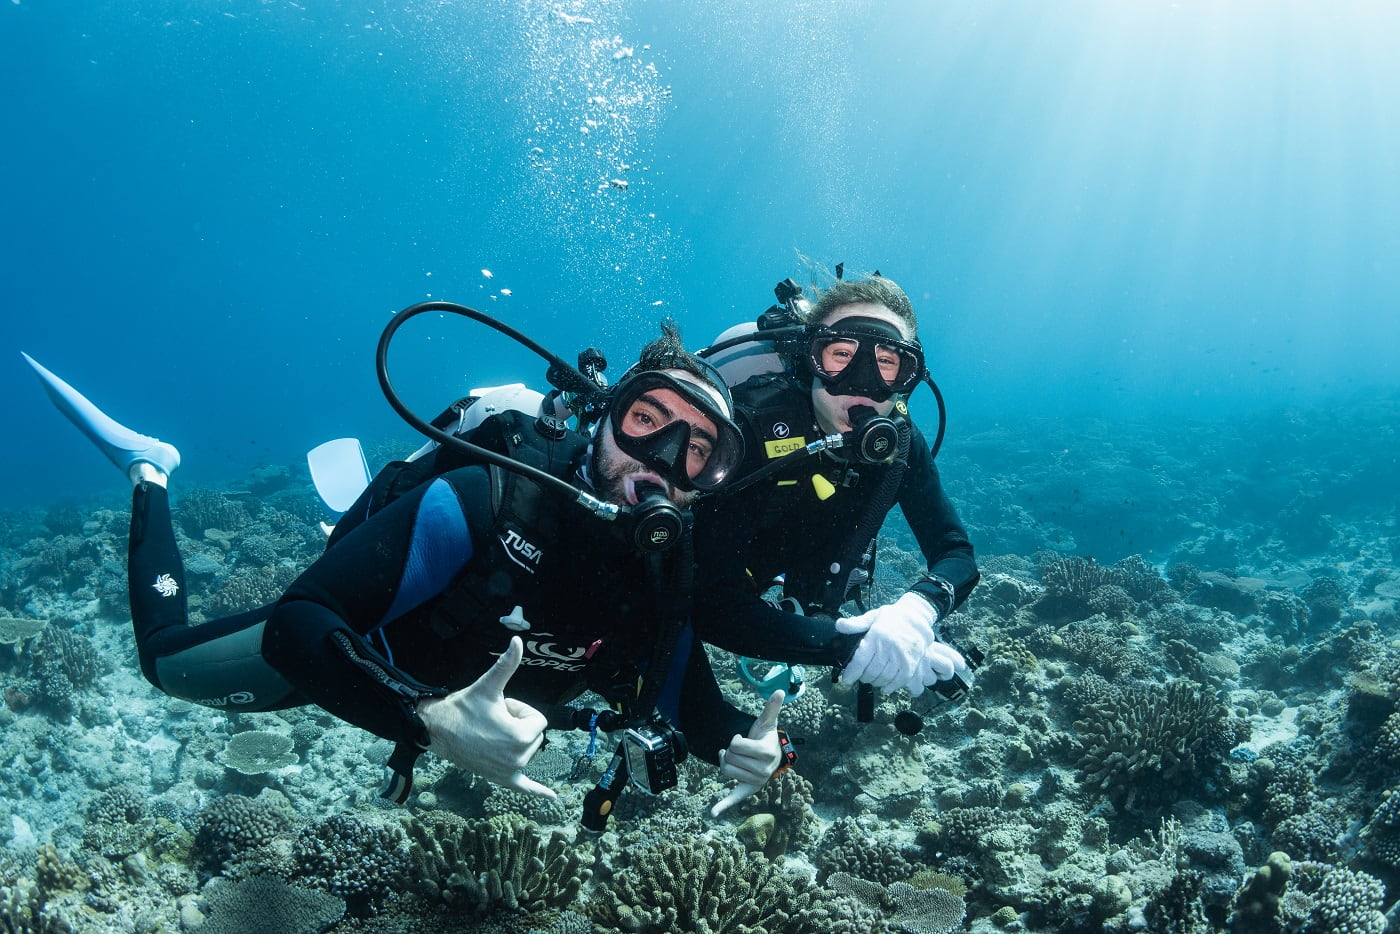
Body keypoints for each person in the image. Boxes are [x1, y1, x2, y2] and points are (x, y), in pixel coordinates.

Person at [22, 321, 789, 820]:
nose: (662, 460)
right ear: (602, 421)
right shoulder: (489, 499)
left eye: (698, 450)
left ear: (711, 478)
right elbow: (297, 625)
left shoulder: (668, 570)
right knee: (165, 663)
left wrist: (749, 750)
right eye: (646, 421)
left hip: (439, 701)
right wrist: (430, 721)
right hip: (365, 656)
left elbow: (697, 707)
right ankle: (149, 471)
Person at [691, 273, 980, 702]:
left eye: (887, 362)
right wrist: (848, 646)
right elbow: (711, 607)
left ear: (909, 375)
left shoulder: (900, 443)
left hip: (807, 583)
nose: (862, 383)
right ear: (811, 358)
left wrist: (918, 609)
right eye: (842, 354)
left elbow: (955, 552)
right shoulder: (753, 429)